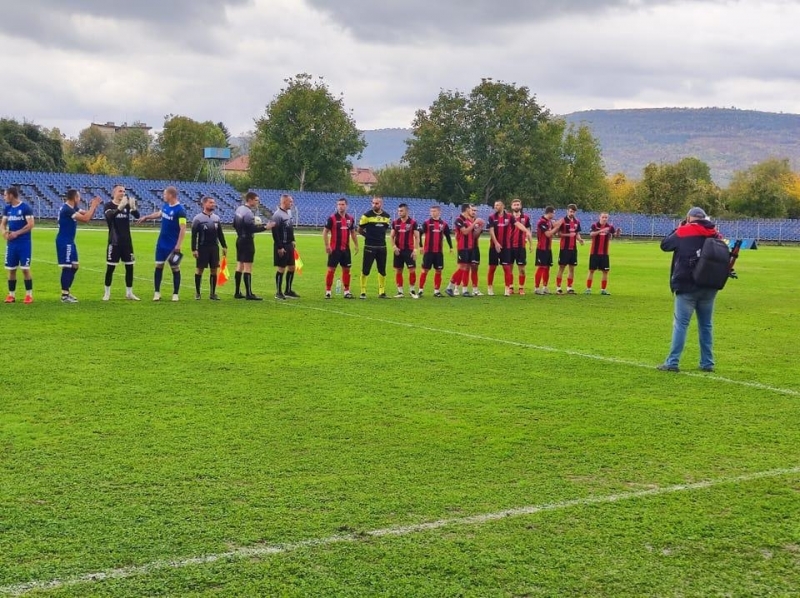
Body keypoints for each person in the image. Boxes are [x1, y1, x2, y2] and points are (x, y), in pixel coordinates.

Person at [657, 207, 723, 373]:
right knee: (706, 325)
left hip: (687, 284)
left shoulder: (685, 230)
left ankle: (672, 361)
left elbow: (665, 245)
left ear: (689, 218)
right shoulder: (714, 232)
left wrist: (679, 227)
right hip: (710, 284)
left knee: (681, 324)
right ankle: (707, 362)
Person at [137, 186, 187, 302]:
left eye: (165, 194)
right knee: (158, 266)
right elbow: (159, 214)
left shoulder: (180, 210)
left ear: (170, 195)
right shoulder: (165, 206)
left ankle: (175, 294)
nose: (163, 196)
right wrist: (147, 217)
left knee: (175, 268)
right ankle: (157, 292)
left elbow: (183, 228)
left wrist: (178, 246)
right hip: (161, 244)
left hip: (173, 245)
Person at [56, 190, 102, 302]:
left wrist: (93, 207)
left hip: (70, 241)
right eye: (79, 197)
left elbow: (87, 215)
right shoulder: (67, 209)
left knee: (75, 266)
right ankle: (64, 295)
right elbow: (85, 219)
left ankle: (67, 292)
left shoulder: (73, 208)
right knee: (67, 267)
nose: (80, 199)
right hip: (64, 241)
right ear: (74, 197)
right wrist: (93, 206)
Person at [103, 184, 141, 301]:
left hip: (126, 242)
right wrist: (120, 207)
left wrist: (133, 208)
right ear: (114, 193)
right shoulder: (108, 205)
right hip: (114, 242)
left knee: (129, 267)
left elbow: (137, 216)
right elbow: (110, 217)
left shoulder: (127, 205)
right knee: (110, 268)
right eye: (120, 191)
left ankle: (129, 293)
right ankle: (107, 293)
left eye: (124, 191)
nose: (123, 193)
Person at [487, 200, 532, 296]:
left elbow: (518, 224)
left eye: (498, 205)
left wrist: (526, 231)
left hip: (506, 247)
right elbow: (491, 231)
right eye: (495, 205)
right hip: (494, 247)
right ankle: (490, 287)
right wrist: (496, 243)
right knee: (492, 268)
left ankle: (507, 289)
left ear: (502, 206)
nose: (496, 206)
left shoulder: (509, 217)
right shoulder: (491, 217)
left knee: (507, 268)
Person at [232, 191, 269, 300]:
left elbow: (234, 224)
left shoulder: (239, 209)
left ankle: (237, 292)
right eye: (256, 200)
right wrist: (265, 227)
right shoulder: (248, 213)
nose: (258, 202)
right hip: (247, 240)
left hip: (239, 239)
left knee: (239, 265)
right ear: (250, 200)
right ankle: (249, 293)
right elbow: (252, 228)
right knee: (248, 267)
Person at [1, 186, 35, 304]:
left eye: (5, 195)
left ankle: (29, 295)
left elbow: (31, 224)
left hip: (24, 243)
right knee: (11, 270)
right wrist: (4, 233)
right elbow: (3, 223)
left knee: (25, 269)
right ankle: (11, 295)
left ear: (11, 195)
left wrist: (16, 233)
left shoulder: (25, 208)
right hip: (11, 245)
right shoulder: (7, 209)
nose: (4, 197)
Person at [191, 196, 227, 300]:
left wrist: (224, 246)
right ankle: (198, 293)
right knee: (199, 270)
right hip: (202, 248)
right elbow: (194, 235)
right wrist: (194, 249)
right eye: (211, 202)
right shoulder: (197, 219)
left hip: (214, 248)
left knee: (214, 270)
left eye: (214, 203)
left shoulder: (216, 218)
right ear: (204, 204)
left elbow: (220, 234)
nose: (213, 204)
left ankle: (213, 293)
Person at [323, 197, 359, 299]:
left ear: (346, 206)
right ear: (336, 206)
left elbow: (352, 232)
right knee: (331, 270)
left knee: (347, 270)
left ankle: (346, 291)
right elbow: (325, 232)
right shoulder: (332, 218)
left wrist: (356, 245)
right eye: (339, 204)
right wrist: (327, 246)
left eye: (342, 204)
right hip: (334, 249)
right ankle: (328, 291)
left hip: (345, 250)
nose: (340, 206)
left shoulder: (350, 219)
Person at [357, 196, 392, 299]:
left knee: (382, 269)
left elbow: (384, 229)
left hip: (382, 246)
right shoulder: (366, 215)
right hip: (369, 246)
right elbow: (359, 229)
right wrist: (368, 237)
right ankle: (363, 291)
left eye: (377, 203)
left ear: (381, 204)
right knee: (366, 269)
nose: (374, 205)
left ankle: (382, 291)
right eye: (373, 203)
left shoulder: (387, 216)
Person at [417, 205, 452, 298]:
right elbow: (419, 234)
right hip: (428, 252)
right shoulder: (427, 223)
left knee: (439, 270)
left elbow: (448, 236)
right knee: (425, 270)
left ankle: (436, 291)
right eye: (431, 211)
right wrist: (420, 246)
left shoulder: (444, 224)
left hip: (438, 252)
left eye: (435, 211)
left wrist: (451, 247)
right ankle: (420, 290)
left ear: (439, 212)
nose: (433, 213)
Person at [445, 204, 479, 297]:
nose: (472, 211)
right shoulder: (459, 219)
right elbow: (465, 232)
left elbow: (472, 234)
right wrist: (474, 223)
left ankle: (463, 290)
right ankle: (449, 287)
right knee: (462, 267)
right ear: (467, 209)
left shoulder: (467, 220)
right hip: (462, 247)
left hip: (469, 247)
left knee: (465, 268)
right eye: (470, 209)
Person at [585, 212, 620, 296]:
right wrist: (601, 230)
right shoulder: (594, 225)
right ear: (599, 217)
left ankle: (603, 289)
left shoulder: (610, 227)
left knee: (605, 271)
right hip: (594, 252)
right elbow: (591, 234)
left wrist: (618, 233)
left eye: (606, 217)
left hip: (604, 253)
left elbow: (615, 235)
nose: (604, 219)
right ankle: (588, 289)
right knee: (591, 270)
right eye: (603, 217)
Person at [271, 194, 299, 300]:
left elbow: (289, 229)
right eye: (290, 202)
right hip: (281, 245)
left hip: (289, 245)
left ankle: (288, 290)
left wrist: (293, 240)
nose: (291, 204)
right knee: (281, 268)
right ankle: (278, 292)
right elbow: (275, 232)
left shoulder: (288, 213)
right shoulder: (277, 215)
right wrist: (279, 247)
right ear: (284, 202)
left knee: (292, 267)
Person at [390, 203, 420, 298]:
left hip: (409, 250)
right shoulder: (395, 222)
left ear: (407, 211)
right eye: (398, 211)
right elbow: (391, 236)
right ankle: (400, 292)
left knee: (412, 270)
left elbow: (417, 237)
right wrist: (394, 246)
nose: (399, 212)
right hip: (398, 250)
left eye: (401, 211)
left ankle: (412, 290)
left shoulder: (413, 223)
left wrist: (415, 250)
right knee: (398, 270)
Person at [555, 203, 584, 294]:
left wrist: (580, 240)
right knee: (562, 267)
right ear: (567, 211)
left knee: (572, 268)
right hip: (564, 248)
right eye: (570, 211)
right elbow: (558, 234)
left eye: (573, 212)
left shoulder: (577, 222)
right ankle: (558, 287)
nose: (572, 213)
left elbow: (577, 233)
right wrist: (568, 235)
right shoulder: (562, 221)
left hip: (573, 248)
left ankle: (569, 287)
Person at [533, 206, 562, 295]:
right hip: (541, 248)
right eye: (553, 213)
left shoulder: (549, 222)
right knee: (541, 267)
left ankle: (545, 287)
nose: (554, 215)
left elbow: (555, 231)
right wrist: (556, 228)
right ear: (549, 213)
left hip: (548, 248)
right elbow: (548, 234)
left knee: (547, 268)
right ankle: (537, 288)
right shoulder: (541, 222)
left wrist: (558, 227)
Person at [509, 199, 533, 295]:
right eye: (514, 205)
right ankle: (510, 287)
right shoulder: (508, 217)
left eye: (518, 204)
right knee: (509, 268)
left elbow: (528, 232)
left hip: (521, 247)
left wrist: (531, 244)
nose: (516, 206)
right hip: (509, 246)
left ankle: (521, 287)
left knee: (522, 269)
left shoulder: (526, 218)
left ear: (521, 206)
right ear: (511, 206)